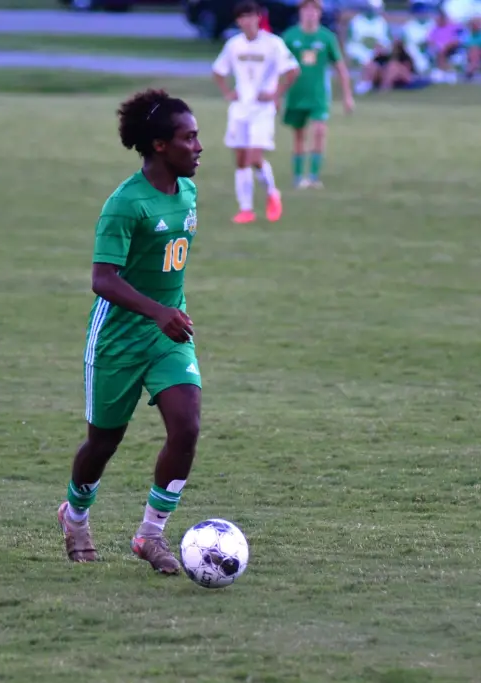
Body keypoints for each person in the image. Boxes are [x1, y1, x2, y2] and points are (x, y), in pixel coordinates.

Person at [57, 89, 204, 575]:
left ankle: (150, 535)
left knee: (187, 427)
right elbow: (103, 279)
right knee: (103, 444)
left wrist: (167, 314)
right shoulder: (124, 204)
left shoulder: (187, 191)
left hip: (168, 336)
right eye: (189, 138)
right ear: (160, 145)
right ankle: (75, 516)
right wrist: (158, 311)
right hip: (117, 340)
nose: (199, 147)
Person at [212, 1, 299, 224]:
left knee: (255, 157)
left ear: (258, 18)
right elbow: (218, 70)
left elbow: (293, 70)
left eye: (251, 16)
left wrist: (276, 94)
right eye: (243, 17)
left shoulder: (273, 43)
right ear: (238, 21)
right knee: (241, 160)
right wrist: (228, 92)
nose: (247, 21)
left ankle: (272, 193)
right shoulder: (234, 44)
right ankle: (246, 209)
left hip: (262, 110)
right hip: (240, 109)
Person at [282, 0, 355, 189]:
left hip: (319, 95)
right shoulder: (290, 36)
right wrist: (276, 94)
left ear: (319, 13)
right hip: (296, 94)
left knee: (319, 131)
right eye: (306, 9)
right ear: (300, 12)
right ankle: (298, 177)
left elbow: (340, 68)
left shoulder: (326, 37)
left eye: (314, 9)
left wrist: (347, 96)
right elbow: (277, 67)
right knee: (299, 135)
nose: (310, 13)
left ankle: (314, 177)